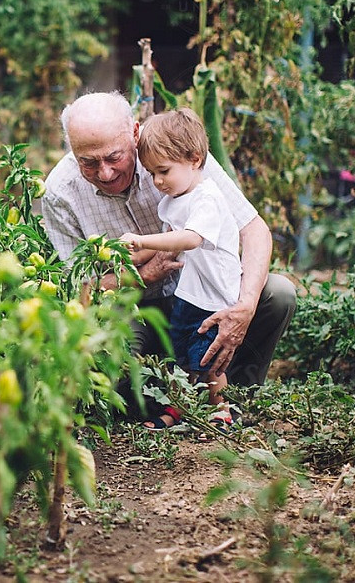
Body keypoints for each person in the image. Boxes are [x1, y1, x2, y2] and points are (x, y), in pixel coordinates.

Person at [40, 91, 296, 429]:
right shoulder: (60, 191)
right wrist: (143, 275)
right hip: (135, 309)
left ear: (134, 133)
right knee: (116, 364)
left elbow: (254, 230)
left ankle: (233, 398)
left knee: (277, 295)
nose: (104, 172)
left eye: (114, 157)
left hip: (203, 297)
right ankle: (172, 401)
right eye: (88, 161)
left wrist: (245, 305)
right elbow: (82, 289)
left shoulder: (173, 150)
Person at [118, 109, 241, 432]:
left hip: (215, 296)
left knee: (208, 357)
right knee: (181, 352)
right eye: (151, 173)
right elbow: (167, 243)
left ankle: (222, 409)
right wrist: (129, 253)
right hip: (190, 292)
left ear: (195, 160)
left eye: (163, 171)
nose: (157, 181)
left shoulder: (207, 199)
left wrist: (141, 239)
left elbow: (189, 239)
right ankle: (180, 405)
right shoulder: (178, 197)